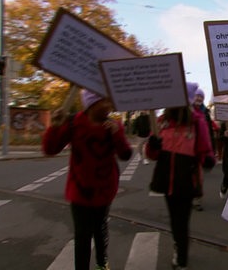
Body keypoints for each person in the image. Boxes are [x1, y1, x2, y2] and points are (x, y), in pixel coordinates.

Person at [42, 89, 133, 270]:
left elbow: (125, 154)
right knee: (82, 234)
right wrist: (54, 126)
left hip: (104, 189)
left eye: (109, 101)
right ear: (92, 104)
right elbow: (50, 149)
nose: (109, 106)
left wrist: (117, 135)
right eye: (104, 101)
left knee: (100, 228)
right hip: (80, 189)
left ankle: (102, 262)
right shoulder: (74, 123)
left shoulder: (113, 125)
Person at [146, 82, 215, 270]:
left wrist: (208, 158)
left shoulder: (197, 122)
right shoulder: (161, 122)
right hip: (166, 178)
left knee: (181, 220)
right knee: (174, 218)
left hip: (187, 179)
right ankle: (179, 244)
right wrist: (152, 145)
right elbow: (151, 155)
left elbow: (204, 149)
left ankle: (182, 258)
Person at [191, 87, 216, 211]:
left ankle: (197, 200)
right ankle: (190, 197)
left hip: (202, 148)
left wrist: (211, 149)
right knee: (190, 176)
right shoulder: (188, 111)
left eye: (201, 96)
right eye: (197, 96)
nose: (199, 98)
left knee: (199, 177)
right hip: (189, 148)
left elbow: (209, 131)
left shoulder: (205, 112)